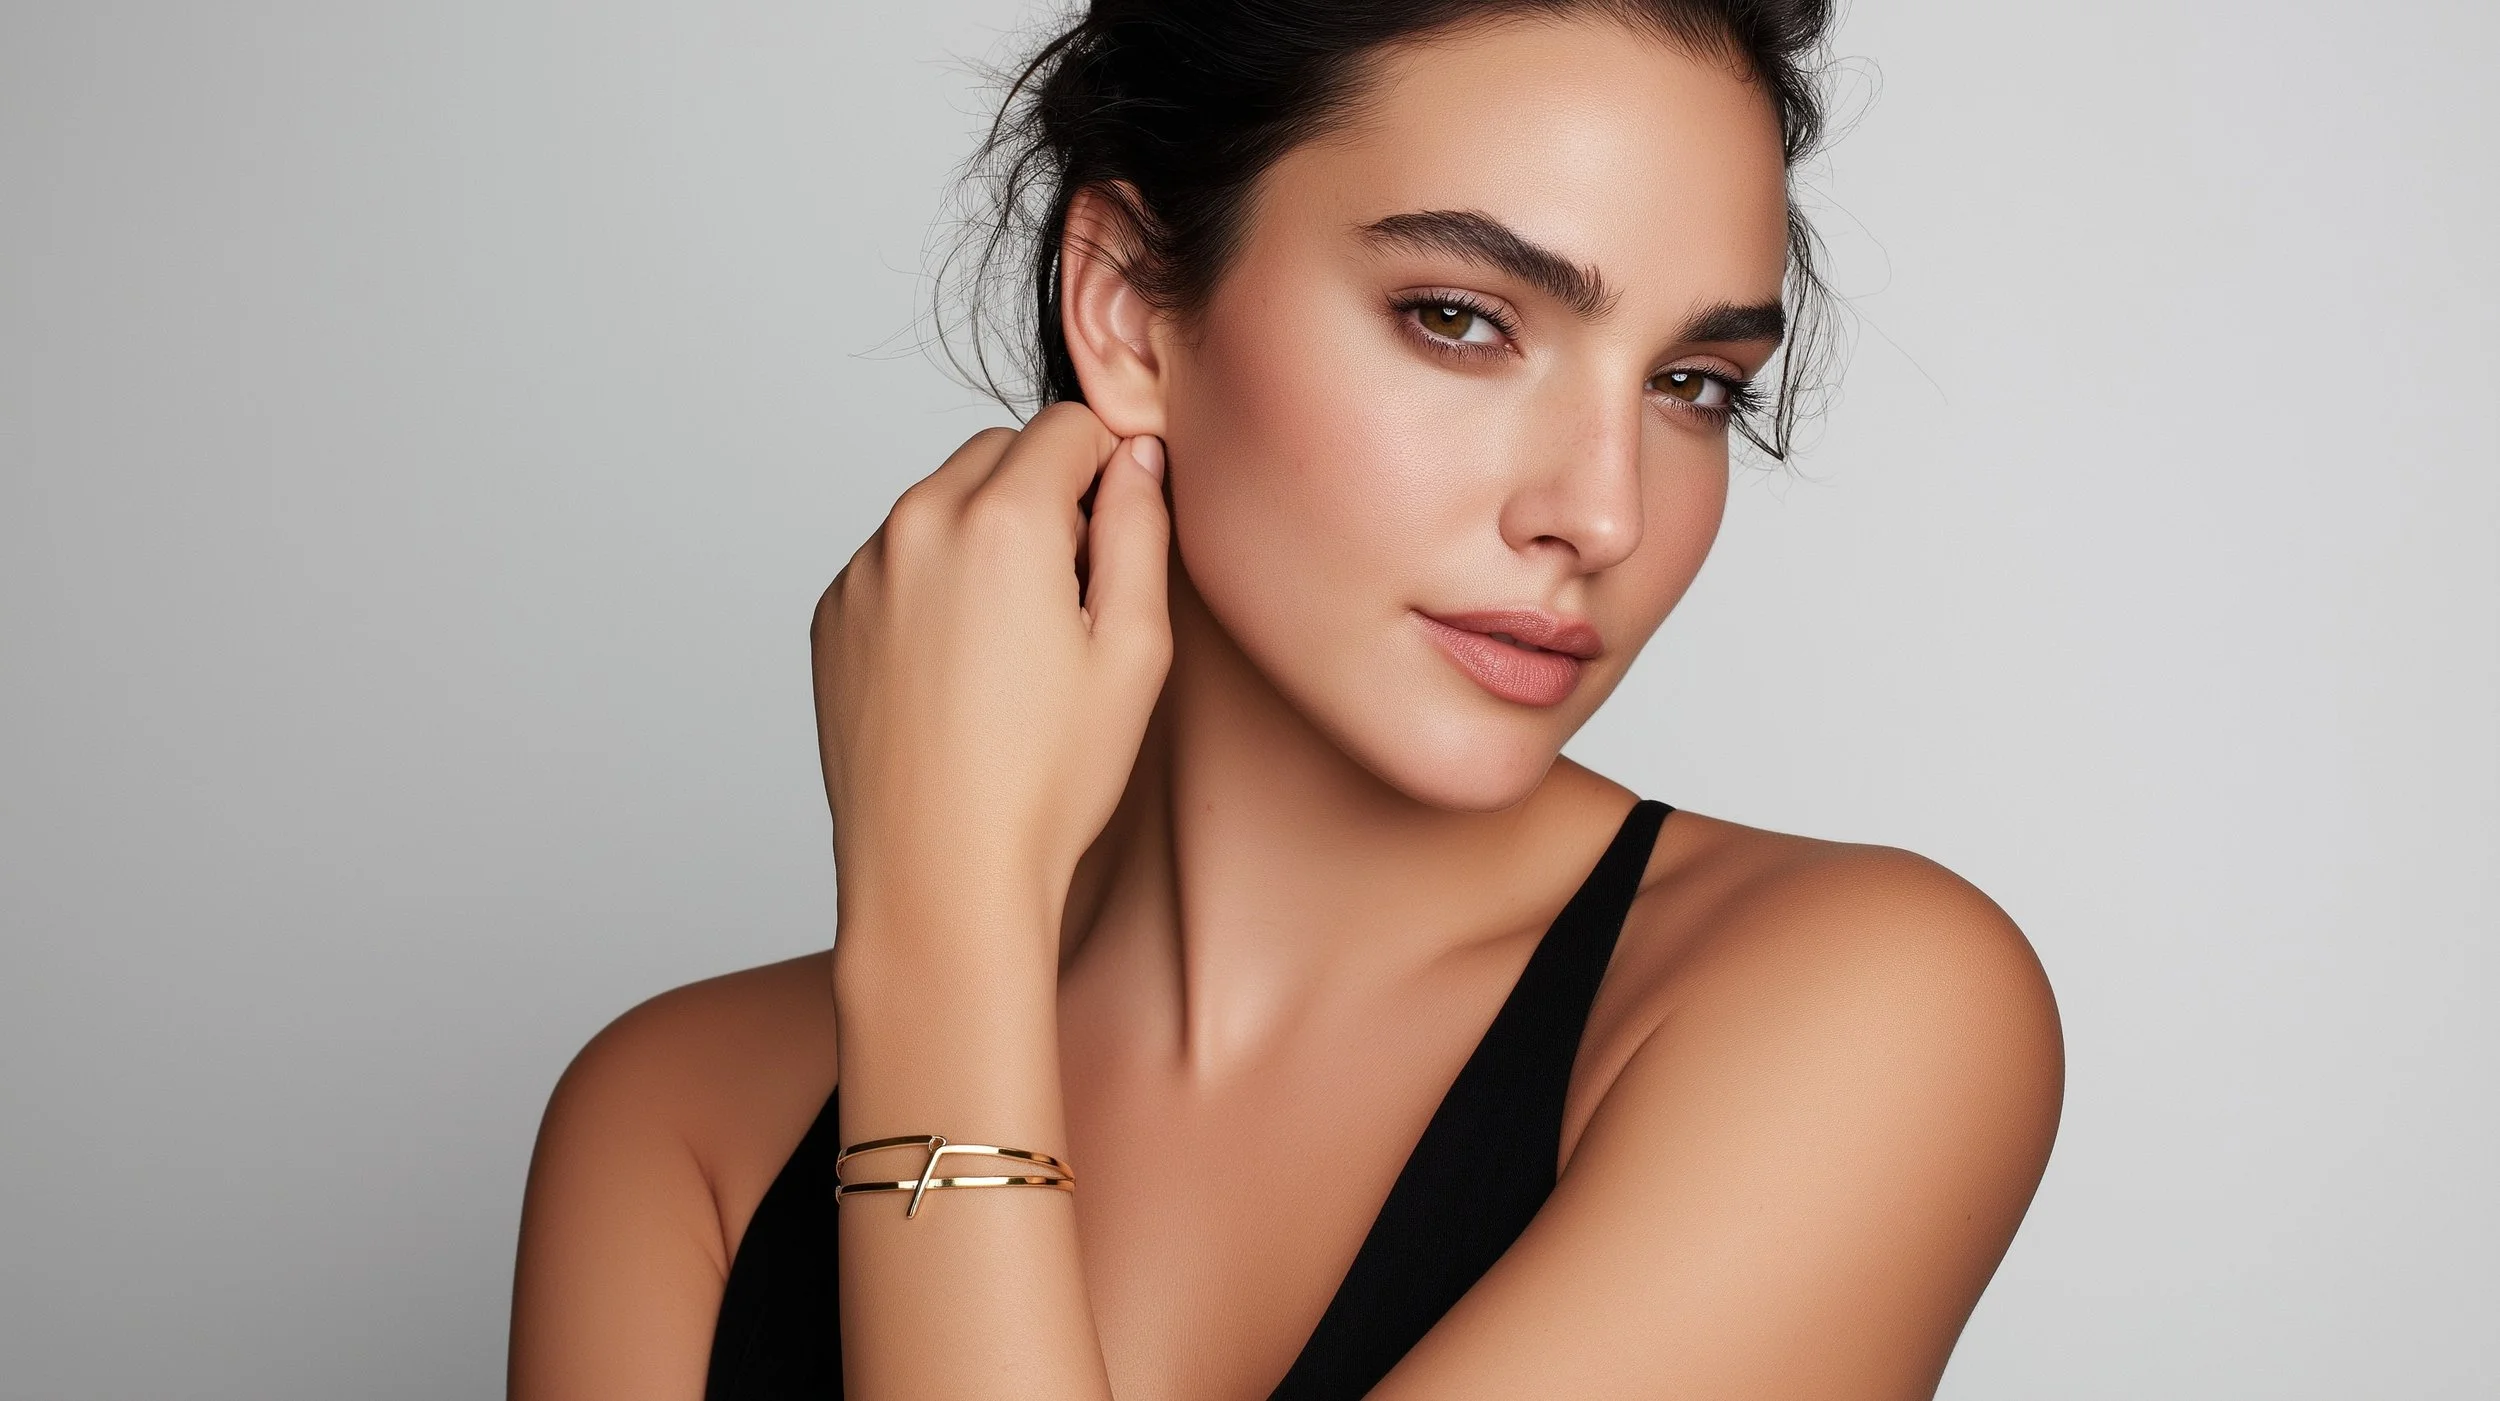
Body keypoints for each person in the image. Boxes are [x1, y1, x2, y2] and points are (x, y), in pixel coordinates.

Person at [507, 2, 2065, 1397]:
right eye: (1462, 318)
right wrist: (941, 934)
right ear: (1127, 308)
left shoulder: (1860, 1012)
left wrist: (942, 932)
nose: (1602, 513)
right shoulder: (683, 1122)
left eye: (1690, 386)